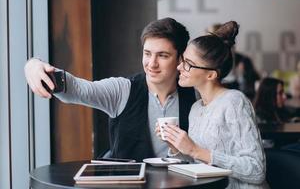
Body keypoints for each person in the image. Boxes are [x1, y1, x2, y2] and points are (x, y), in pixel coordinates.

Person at [24, 17, 196, 162]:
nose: (152, 64)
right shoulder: (123, 90)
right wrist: (33, 65)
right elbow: (77, 90)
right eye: (147, 53)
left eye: (162, 55)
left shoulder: (196, 94)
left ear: (180, 59)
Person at [156, 21, 267, 188]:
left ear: (210, 75)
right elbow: (199, 162)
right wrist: (177, 147)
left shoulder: (234, 102)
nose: (179, 67)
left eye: (188, 63)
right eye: (182, 60)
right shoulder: (196, 108)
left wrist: (195, 150)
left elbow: (257, 170)